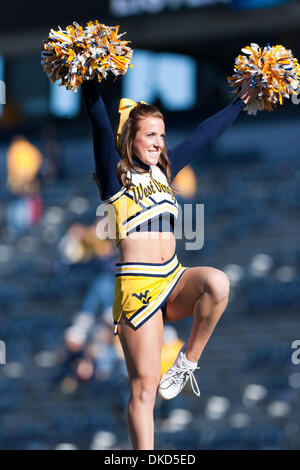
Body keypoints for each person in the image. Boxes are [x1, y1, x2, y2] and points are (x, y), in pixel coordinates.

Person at [81, 76, 257, 450]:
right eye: (150, 135)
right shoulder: (115, 175)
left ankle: (187, 362)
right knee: (144, 390)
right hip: (139, 289)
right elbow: (97, 119)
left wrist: (241, 101)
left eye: (161, 135)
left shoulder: (166, 169)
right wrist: (87, 75)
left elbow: (205, 135)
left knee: (218, 284)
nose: (159, 143)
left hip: (172, 277)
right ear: (131, 139)